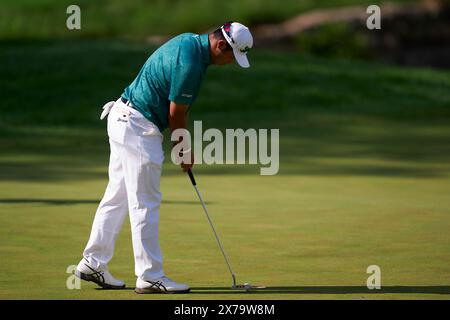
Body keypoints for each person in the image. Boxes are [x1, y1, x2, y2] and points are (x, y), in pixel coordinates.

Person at [75, 22, 253, 294]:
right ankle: (149, 275)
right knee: (145, 203)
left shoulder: (190, 42)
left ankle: (93, 263)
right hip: (138, 128)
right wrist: (182, 150)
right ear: (221, 45)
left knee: (118, 197)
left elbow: (178, 110)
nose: (231, 63)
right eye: (232, 56)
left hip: (122, 117)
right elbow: (176, 113)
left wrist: (182, 146)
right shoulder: (192, 64)